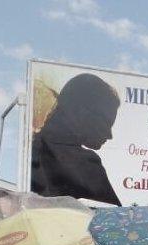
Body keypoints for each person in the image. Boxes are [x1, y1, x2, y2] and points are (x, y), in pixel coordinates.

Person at [31, 73, 122, 205]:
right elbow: (114, 220)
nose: (109, 135)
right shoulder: (86, 164)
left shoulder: (32, 149)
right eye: (106, 123)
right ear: (79, 111)